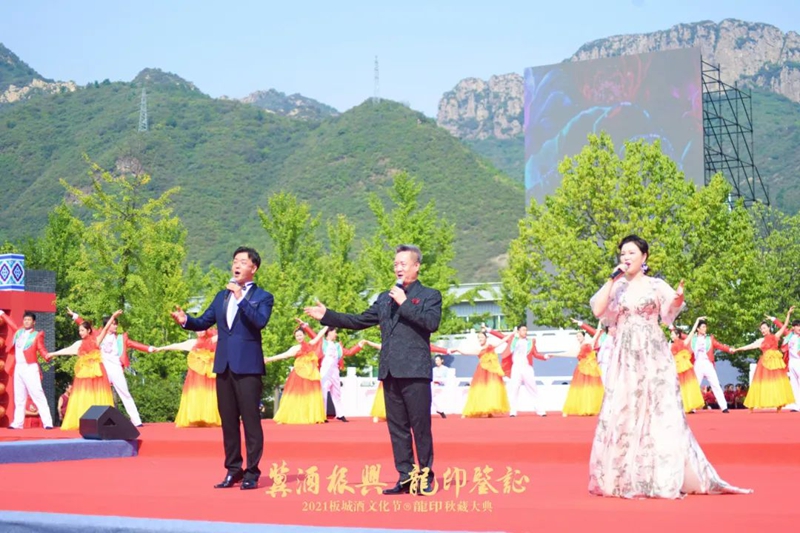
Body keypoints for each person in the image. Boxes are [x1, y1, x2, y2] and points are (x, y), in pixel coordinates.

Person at [588, 234, 750, 498]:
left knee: (658, 409)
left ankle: (661, 475)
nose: (626, 257)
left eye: (631, 253)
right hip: (624, 356)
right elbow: (598, 311)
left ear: (644, 257)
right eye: (622, 254)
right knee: (625, 408)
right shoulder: (617, 287)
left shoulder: (655, 284)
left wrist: (678, 298)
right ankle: (623, 476)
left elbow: (670, 309)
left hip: (652, 353)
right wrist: (611, 278)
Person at [304, 244, 442, 496]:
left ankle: (425, 477)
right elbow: (358, 321)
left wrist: (404, 302)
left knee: (420, 427)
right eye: (396, 264)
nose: (398, 268)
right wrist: (327, 315)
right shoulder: (384, 298)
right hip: (389, 371)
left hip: (415, 371)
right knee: (397, 428)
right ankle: (405, 477)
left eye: (403, 263)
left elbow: (431, 323)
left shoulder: (430, 295)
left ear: (416, 266)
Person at [171, 246, 274, 491]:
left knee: (251, 421)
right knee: (228, 421)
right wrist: (186, 321)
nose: (236, 265)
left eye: (242, 262)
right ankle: (233, 469)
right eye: (235, 261)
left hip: (248, 367)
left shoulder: (263, 297)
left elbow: (259, 322)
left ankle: (252, 472)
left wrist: (240, 297)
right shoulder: (221, 296)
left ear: (254, 268)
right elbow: (203, 321)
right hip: (224, 366)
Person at [68, 308, 154, 427]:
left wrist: (149, 348)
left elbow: (135, 344)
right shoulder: (98, 334)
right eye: (113, 324)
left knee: (125, 393)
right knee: (99, 394)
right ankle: (98, 420)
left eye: (116, 324)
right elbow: (84, 325)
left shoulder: (120, 338)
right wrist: (74, 315)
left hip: (116, 369)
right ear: (107, 325)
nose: (115, 326)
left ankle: (136, 420)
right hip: (102, 369)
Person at [53, 311, 122, 430]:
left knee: (98, 395)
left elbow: (105, 328)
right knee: (83, 395)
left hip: (96, 371)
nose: (80, 333)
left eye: (82, 330)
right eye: (79, 331)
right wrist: (52, 354)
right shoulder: (80, 344)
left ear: (89, 331)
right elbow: (68, 350)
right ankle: (83, 420)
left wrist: (113, 317)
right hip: (84, 372)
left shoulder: (96, 340)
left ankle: (101, 420)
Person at [297, 320, 365, 423]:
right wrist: (304, 325)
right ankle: (322, 415)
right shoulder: (322, 342)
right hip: (325, 371)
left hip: (335, 371)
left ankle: (340, 414)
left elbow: (349, 352)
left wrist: (359, 345)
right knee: (323, 393)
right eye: (335, 332)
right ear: (329, 332)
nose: (336, 334)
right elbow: (313, 335)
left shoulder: (338, 346)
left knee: (337, 393)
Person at [731, 308, 795, 412]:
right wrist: (737, 349)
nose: (763, 330)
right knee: (760, 384)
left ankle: (779, 404)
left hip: (775, 364)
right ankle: (752, 405)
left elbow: (784, 326)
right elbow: (749, 346)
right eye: (761, 329)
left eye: (764, 328)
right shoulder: (761, 340)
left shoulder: (775, 336)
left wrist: (788, 314)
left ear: (769, 328)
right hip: (764, 364)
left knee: (778, 383)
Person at [154, 329, 221, 428]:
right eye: (198, 330)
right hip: (195, 379)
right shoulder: (193, 343)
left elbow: (225, 334)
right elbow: (177, 346)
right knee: (195, 395)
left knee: (210, 395)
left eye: (202, 329)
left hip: (208, 377)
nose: (200, 332)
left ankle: (210, 418)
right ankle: (195, 417)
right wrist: (161, 348)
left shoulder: (213, 340)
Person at [0, 310, 54, 430]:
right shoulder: (19, 332)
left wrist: (46, 356)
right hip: (19, 367)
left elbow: (41, 348)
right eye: (25, 320)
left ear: (34, 322)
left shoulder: (37, 335)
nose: (26, 322)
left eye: (29, 320)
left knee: (38, 394)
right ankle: (17, 423)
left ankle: (47, 422)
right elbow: (11, 323)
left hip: (30, 367)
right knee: (19, 396)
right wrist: (2, 313)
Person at [265, 326, 328, 425]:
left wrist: (328, 323)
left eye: (300, 335)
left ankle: (311, 416)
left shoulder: (311, 344)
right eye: (297, 336)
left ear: (304, 335)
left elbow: (319, 335)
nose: (299, 337)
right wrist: (269, 359)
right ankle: (290, 416)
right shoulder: (295, 348)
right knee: (296, 395)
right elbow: (284, 355)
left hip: (311, 374)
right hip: (299, 374)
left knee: (311, 395)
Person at [488, 325, 550, 417]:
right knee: (514, 390)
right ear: (518, 331)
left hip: (527, 368)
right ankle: (513, 411)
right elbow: (501, 336)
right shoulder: (513, 340)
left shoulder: (531, 341)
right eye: (523, 330)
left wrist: (544, 357)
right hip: (516, 368)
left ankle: (540, 411)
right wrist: (489, 330)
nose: (525, 332)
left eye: (526, 330)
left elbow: (536, 354)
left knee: (533, 389)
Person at [458, 328, 513, 418]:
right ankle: (468, 412)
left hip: (492, 372)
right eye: (479, 337)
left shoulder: (490, 346)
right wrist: (458, 350)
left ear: (486, 338)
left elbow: (503, 340)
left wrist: (512, 333)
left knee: (491, 390)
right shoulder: (478, 349)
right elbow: (466, 353)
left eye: (482, 337)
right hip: (481, 372)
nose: (480, 339)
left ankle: (489, 410)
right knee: (478, 391)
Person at [685, 317, 733, 413]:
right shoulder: (692, 339)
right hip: (697, 364)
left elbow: (719, 345)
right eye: (703, 327)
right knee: (695, 386)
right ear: (698, 329)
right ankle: (692, 407)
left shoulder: (709, 338)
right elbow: (681, 335)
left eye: (705, 327)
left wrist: (729, 349)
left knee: (715, 384)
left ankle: (724, 407)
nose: (705, 328)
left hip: (708, 364)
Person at [562, 329, 604, 417]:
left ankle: (590, 408)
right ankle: (579, 408)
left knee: (590, 388)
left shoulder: (588, 343)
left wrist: (599, 325)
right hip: (581, 368)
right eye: (577, 336)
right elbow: (570, 354)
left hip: (590, 368)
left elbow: (595, 336)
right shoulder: (577, 346)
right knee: (579, 389)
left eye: (580, 336)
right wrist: (553, 355)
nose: (578, 338)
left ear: (584, 336)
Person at [669, 326, 704, 414]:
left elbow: (692, 332)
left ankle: (689, 406)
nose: (671, 336)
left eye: (672, 334)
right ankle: (683, 406)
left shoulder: (683, 342)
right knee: (680, 387)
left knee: (688, 386)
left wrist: (697, 321)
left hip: (685, 366)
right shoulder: (670, 345)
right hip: (677, 367)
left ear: (677, 335)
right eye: (671, 334)